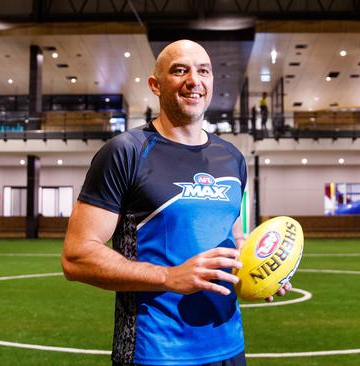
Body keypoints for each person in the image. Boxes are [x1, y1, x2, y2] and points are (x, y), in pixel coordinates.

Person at [62, 40, 290, 366]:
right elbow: (76, 256)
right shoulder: (125, 153)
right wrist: (168, 277)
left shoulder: (232, 158)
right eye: (179, 70)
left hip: (228, 346)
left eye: (203, 71)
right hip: (156, 351)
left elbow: (234, 237)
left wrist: (258, 272)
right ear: (156, 85)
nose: (193, 80)